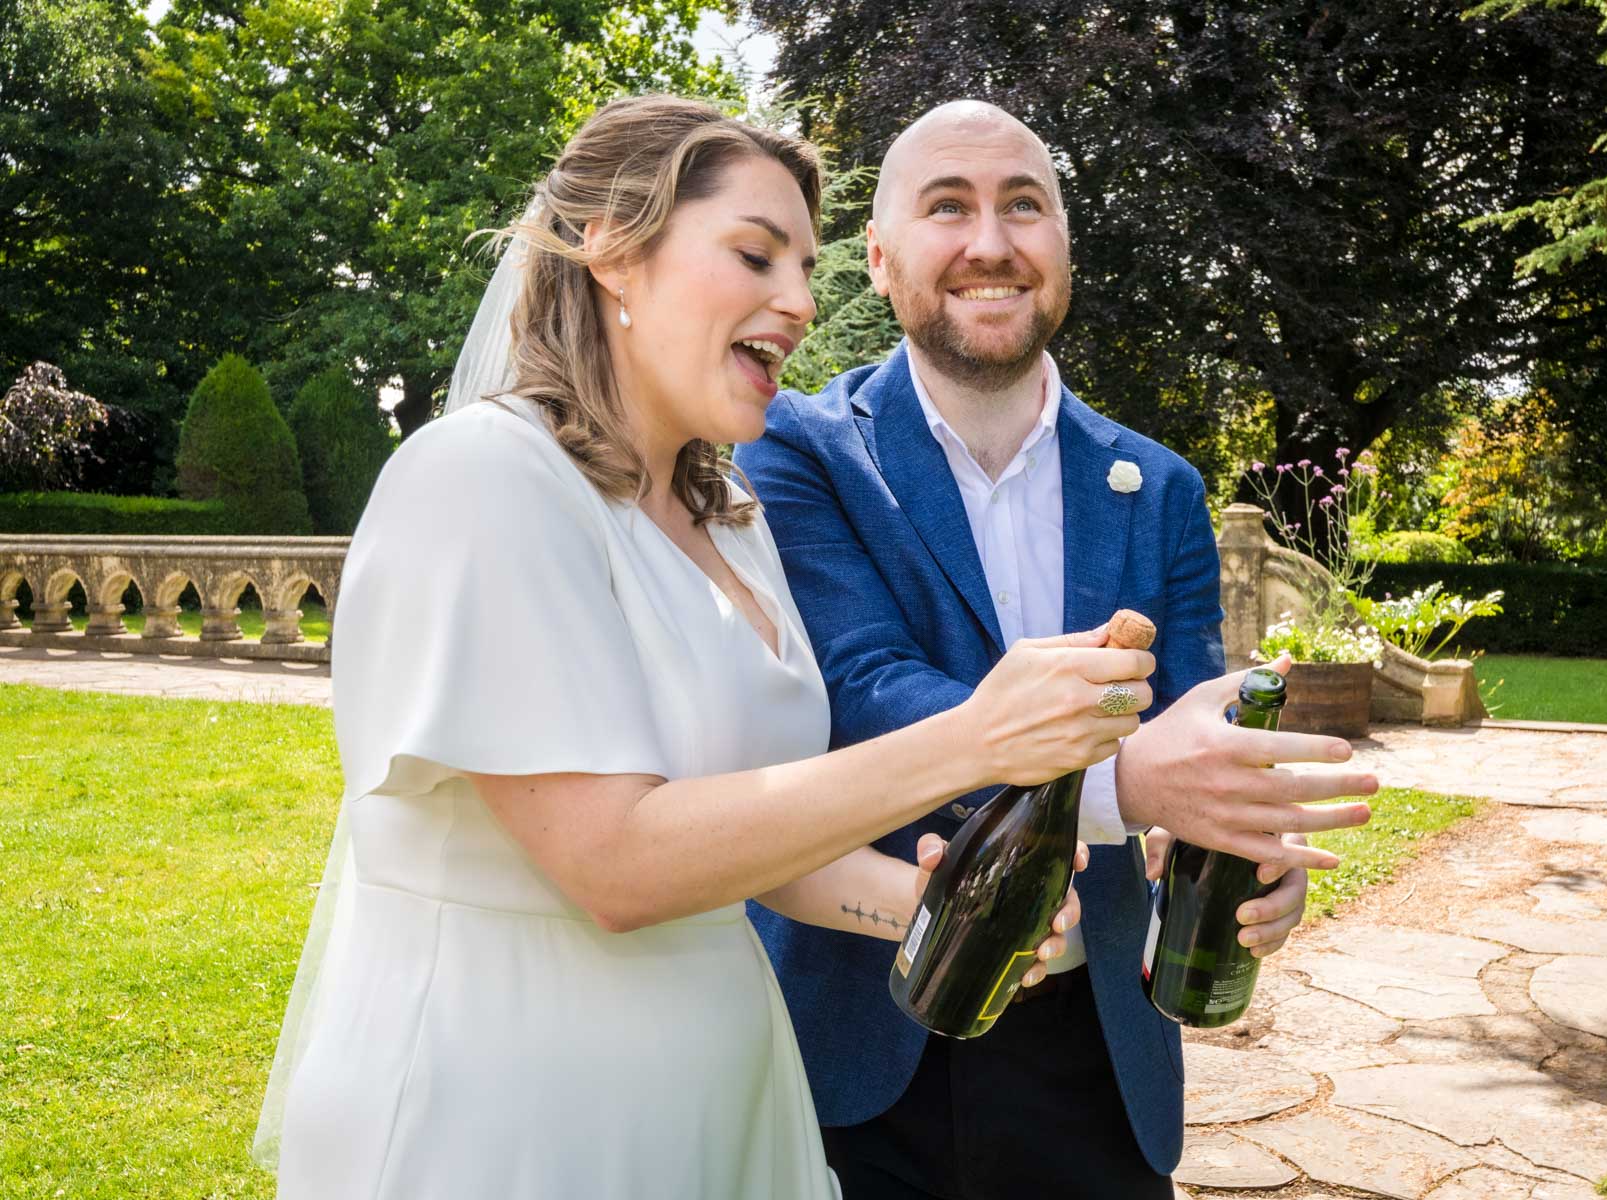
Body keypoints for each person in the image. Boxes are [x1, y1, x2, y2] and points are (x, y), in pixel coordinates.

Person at [252, 95, 1156, 1200]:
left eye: (808, 268)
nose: (801, 302)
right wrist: (977, 741)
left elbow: (751, 836)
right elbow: (617, 865)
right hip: (519, 1112)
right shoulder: (483, 480)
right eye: (756, 254)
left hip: (724, 1097)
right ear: (614, 251)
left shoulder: (727, 510)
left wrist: (930, 914)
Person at [736, 100, 1379, 1198]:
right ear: (883, 260)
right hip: (862, 1043)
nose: (991, 241)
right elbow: (861, 689)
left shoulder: (1160, 487)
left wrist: (1242, 848)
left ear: (1064, 251)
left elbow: (1195, 732)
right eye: (949, 207)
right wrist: (1125, 780)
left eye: (1023, 206)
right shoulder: (798, 450)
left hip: (1096, 1058)